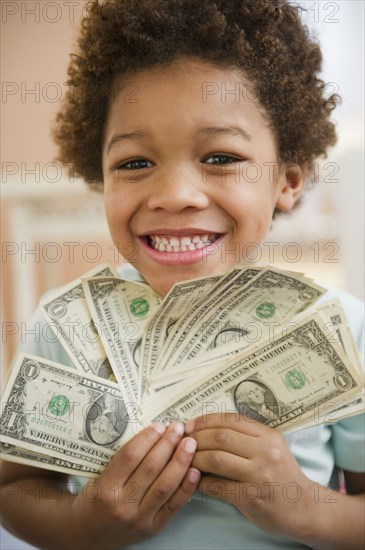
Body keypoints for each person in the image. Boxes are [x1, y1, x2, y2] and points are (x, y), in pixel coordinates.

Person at [1, 1, 364, 548]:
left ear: (287, 179)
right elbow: (16, 488)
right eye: (134, 163)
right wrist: (81, 526)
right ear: (100, 177)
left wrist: (305, 507)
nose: (173, 196)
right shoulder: (69, 324)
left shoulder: (344, 329)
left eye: (220, 157)